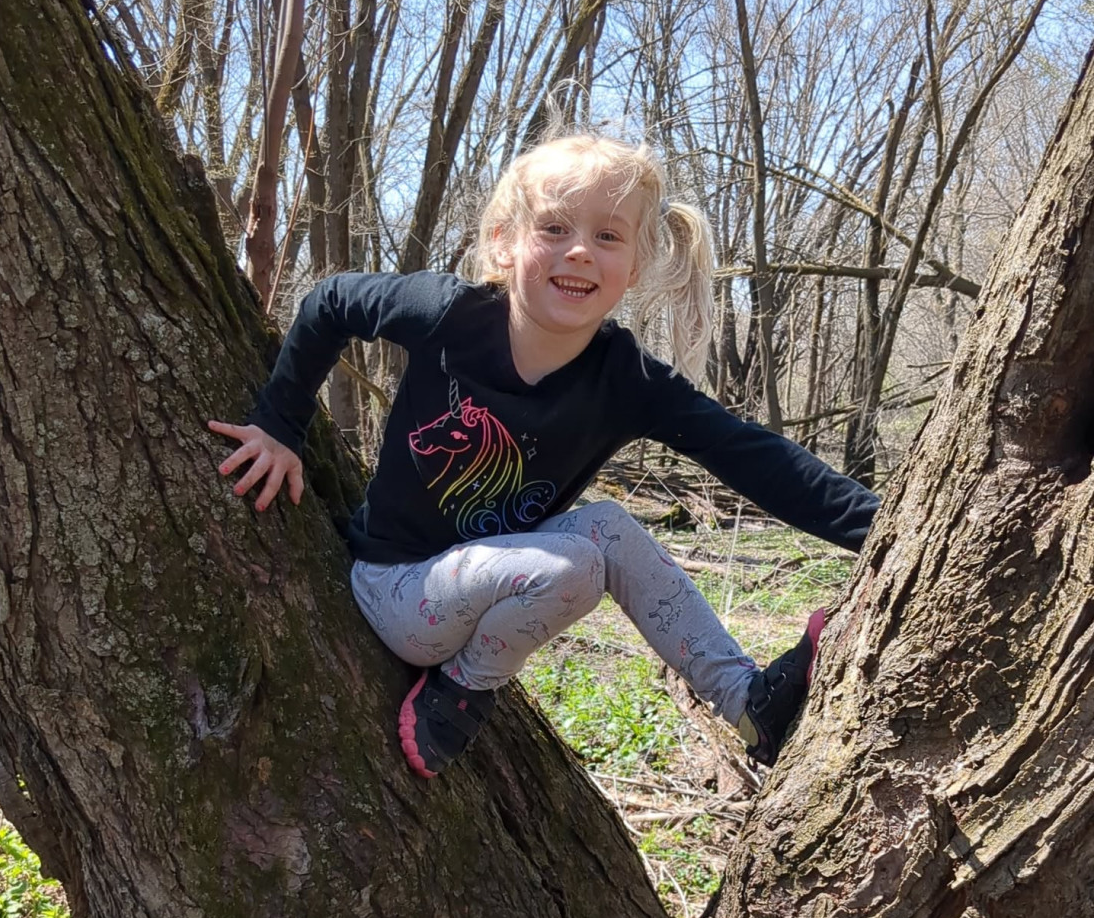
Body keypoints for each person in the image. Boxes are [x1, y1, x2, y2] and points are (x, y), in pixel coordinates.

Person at [211, 132, 878, 778]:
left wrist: (882, 530)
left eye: (608, 236)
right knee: (575, 564)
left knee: (609, 529)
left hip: (511, 575)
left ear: (634, 267)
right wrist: (279, 425)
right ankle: (465, 688)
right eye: (555, 229)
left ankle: (749, 706)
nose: (580, 251)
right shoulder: (449, 315)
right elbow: (330, 304)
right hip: (398, 591)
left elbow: (752, 456)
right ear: (505, 243)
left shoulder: (625, 380)